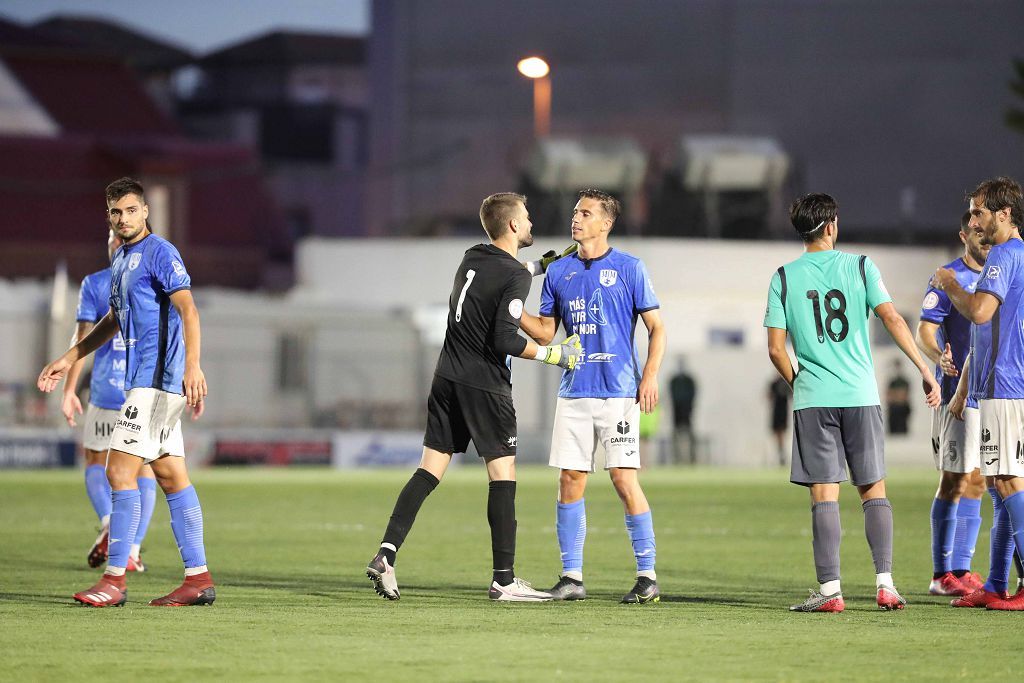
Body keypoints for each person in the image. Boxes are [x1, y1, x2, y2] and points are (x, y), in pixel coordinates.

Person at [365, 192, 582, 602]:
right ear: (514, 226)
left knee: (428, 472)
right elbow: (503, 336)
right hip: (485, 385)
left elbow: (497, 280)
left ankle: (386, 555)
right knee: (503, 476)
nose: (532, 223)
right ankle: (504, 579)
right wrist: (556, 356)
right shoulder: (514, 275)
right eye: (528, 218)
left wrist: (542, 265)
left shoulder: (473, 256)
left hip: (446, 377)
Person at [37, 177, 212, 607]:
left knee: (118, 472)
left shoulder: (160, 252)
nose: (123, 218)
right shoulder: (121, 261)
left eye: (130, 210)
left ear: (145, 211)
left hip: (155, 382)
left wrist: (193, 366)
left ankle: (114, 580)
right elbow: (112, 321)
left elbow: (189, 309)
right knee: (172, 478)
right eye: (116, 212)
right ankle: (198, 579)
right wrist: (68, 357)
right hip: (149, 384)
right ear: (109, 215)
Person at [764, 192, 940, 613]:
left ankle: (830, 592)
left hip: (814, 399)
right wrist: (924, 368)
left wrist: (799, 383)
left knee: (824, 494)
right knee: (873, 489)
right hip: (860, 395)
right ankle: (886, 584)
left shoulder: (783, 277)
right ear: (831, 226)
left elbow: (774, 349)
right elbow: (893, 319)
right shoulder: (861, 266)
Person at [520, 188, 667, 604]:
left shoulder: (630, 268)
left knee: (623, 479)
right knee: (569, 481)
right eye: (575, 212)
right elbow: (548, 333)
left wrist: (650, 375)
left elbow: (658, 327)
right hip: (574, 391)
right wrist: (515, 313)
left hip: (619, 392)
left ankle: (647, 575)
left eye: (586, 213)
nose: (576, 218)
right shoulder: (558, 271)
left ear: (606, 223)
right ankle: (571, 577)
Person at [932, 176, 1024, 609]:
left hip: (1006, 386)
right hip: (998, 386)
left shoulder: (1005, 254)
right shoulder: (1017, 254)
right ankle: (995, 585)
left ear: (1003, 214)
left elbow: (982, 313)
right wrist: (966, 385)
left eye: (979, 212)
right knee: (995, 486)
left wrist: (951, 284)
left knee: (1007, 481)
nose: (973, 220)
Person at [62, 229, 157, 573]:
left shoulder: (96, 283)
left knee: (95, 462)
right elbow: (171, 328)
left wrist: (70, 389)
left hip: (105, 391)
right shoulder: (153, 279)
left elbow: (83, 339)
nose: (114, 242)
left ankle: (107, 522)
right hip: (142, 391)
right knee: (145, 468)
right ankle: (130, 548)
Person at [915, 211, 990, 597]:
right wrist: (937, 355)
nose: (983, 237)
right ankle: (940, 573)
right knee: (954, 480)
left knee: (978, 481)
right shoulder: (947, 278)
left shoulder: (999, 274)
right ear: (963, 235)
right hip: (957, 393)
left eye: (986, 230)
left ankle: (962, 568)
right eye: (976, 232)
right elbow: (925, 329)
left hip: (991, 391)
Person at [669, 358, 697, 464]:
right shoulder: (674, 380)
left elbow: (693, 393)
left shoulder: (689, 380)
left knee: (689, 434)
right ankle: (677, 458)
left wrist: (689, 407)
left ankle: (692, 458)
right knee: (676, 435)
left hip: (687, 411)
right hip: (676, 411)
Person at [767, 376, 791, 466]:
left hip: (782, 412)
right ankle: (781, 454)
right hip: (777, 411)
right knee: (778, 435)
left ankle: (782, 454)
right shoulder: (776, 383)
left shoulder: (783, 382)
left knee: (781, 434)